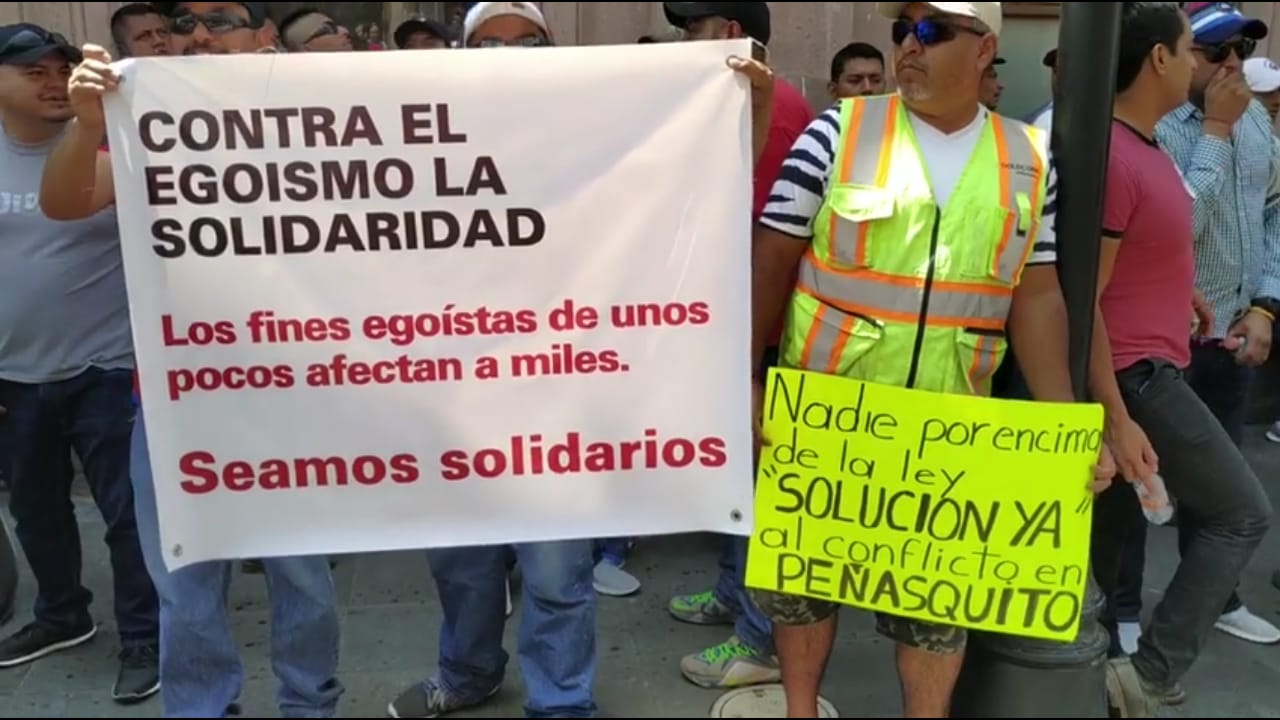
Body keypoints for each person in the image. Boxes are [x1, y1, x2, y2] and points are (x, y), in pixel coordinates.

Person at [384, 3, 779, 717]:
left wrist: (746, 105)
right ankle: (468, 672)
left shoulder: (597, 135)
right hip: (452, 396)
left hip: (556, 397)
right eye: (488, 43)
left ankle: (561, 702)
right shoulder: (420, 141)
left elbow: (704, 186)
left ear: (553, 49)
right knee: (463, 565)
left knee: (556, 570)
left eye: (526, 42)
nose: (508, 56)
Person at [747, 2, 1114, 717]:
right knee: (803, 590)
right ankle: (799, 710)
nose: (908, 46)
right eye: (902, 30)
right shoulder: (839, 132)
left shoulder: (1029, 159)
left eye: (931, 30)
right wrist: (747, 380)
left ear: (984, 49)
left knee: (935, 609)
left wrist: (1068, 427)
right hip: (826, 418)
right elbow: (771, 260)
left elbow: (1037, 296)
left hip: (950, 431)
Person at [41, 3, 345, 716]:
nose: (201, 33)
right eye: (185, 21)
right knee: (185, 579)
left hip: (296, 397)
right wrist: (87, 124)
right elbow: (65, 202)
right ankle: (201, 706)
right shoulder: (146, 120)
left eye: (223, 17)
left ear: (263, 35)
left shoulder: (313, 108)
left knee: (302, 574)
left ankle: (310, 704)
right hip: (178, 401)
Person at [1085, 5, 1273, 717]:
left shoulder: (1145, 145)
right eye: (1201, 50)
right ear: (1161, 59)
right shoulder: (1117, 150)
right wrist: (1114, 413)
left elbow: (1153, 240)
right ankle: (1148, 673)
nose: (1223, 65)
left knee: (1106, 543)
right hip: (1134, 376)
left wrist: (1181, 290)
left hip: (1153, 363)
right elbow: (1084, 298)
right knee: (1240, 513)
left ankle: (1099, 671)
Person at [0, 21, 160, 703]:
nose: (53, 82)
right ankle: (62, 614)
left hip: (108, 365)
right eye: (32, 71)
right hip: (14, 373)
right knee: (35, 509)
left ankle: (146, 638)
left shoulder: (112, 141)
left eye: (61, 68)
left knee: (127, 513)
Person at [661, 0, 814, 691]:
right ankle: (734, 595)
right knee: (737, 478)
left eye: (688, 29)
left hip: (759, 332)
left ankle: (759, 639)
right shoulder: (751, 102)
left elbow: (757, 242)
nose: (680, 41)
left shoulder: (767, 112)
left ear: (727, 34)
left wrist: (746, 359)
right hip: (742, 327)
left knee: (757, 487)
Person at [1153, 0, 1280, 649]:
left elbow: (1274, 210)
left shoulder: (1254, 117)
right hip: (1162, 340)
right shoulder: (1159, 123)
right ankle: (1119, 620)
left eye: (1242, 51)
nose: (1233, 65)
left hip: (1231, 332)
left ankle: (1219, 598)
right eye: (1217, 52)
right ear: (1175, 57)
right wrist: (1216, 131)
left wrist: (1265, 305)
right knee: (1137, 487)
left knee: (1222, 489)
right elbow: (1178, 226)